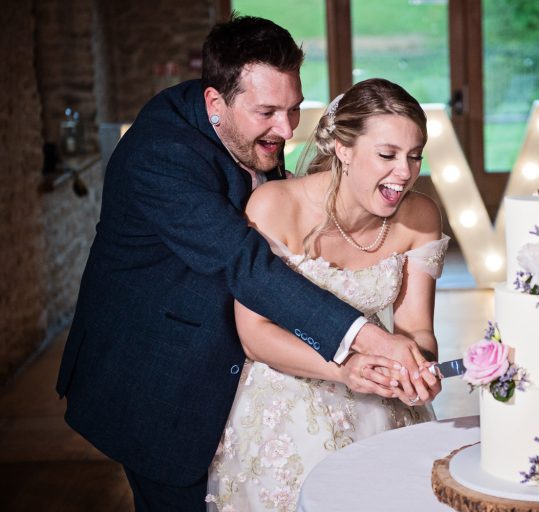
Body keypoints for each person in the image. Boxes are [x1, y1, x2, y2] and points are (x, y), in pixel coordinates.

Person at [56, 16, 432, 511]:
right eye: (268, 112)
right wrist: (371, 339)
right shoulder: (160, 156)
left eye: (294, 108)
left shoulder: (246, 126)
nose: (287, 129)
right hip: (157, 380)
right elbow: (246, 264)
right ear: (216, 102)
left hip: (239, 377)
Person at [205, 77, 448, 511]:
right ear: (343, 148)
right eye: (387, 154)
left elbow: (416, 328)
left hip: (381, 403)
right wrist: (344, 370)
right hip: (287, 401)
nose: (405, 172)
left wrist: (419, 369)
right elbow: (255, 335)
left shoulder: (420, 216)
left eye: (415, 156)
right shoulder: (274, 206)